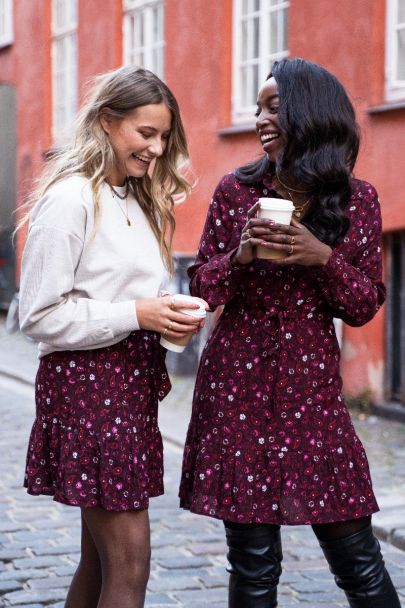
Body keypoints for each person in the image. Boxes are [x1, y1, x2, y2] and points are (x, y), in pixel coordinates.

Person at [179, 58, 401, 607]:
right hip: (237, 392)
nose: (259, 118)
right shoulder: (236, 191)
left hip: (312, 396)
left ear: (309, 112)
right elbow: (201, 287)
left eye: (273, 107)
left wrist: (320, 257)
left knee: (359, 561)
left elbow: (363, 305)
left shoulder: (357, 199)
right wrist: (242, 255)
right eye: (256, 108)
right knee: (253, 568)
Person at [18, 66, 205, 608]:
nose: (156, 148)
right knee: (131, 563)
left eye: (164, 136)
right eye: (145, 133)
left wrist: (164, 312)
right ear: (106, 122)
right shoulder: (72, 198)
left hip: (129, 386)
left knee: (100, 561)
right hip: (88, 388)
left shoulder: (137, 198)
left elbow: (121, 294)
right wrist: (138, 314)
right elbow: (38, 315)